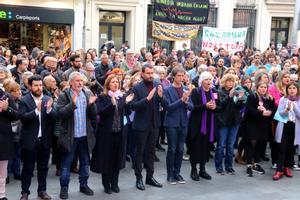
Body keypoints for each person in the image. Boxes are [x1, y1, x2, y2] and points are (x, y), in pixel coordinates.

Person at [56, 72, 97, 199]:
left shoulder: (87, 94)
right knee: (66, 164)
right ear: (71, 82)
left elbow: (94, 115)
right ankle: (64, 188)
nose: (80, 83)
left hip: (84, 135)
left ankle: (83, 185)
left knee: (85, 162)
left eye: (81, 80)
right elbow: (60, 113)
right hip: (70, 136)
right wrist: (72, 105)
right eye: (77, 80)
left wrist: (91, 105)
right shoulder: (64, 95)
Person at [91, 75, 134, 194]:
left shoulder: (122, 96)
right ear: (108, 84)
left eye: (117, 82)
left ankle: (115, 183)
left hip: (120, 131)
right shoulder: (103, 97)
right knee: (107, 159)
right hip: (106, 133)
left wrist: (127, 103)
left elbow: (127, 113)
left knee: (117, 158)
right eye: (113, 82)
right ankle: (106, 184)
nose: (116, 84)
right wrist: (112, 105)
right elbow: (100, 113)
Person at [18, 75, 56, 200]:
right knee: (28, 168)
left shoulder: (47, 98)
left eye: (40, 85)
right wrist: (36, 111)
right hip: (30, 141)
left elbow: (55, 118)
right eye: (36, 85)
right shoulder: (24, 100)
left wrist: (50, 109)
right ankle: (25, 192)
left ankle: (42, 191)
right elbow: (22, 117)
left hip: (44, 140)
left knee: (43, 168)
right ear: (29, 86)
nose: (39, 88)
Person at [131, 64, 167, 190]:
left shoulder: (158, 85)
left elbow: (166, 105)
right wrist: (147, 99)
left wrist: (161, 97)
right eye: (148, 73)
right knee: (139, 152)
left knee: (151, 152)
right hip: (141, 125)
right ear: (142, 74)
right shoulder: (136, 87)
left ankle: (150, 177)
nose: (151, 75)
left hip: (154, 124)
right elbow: (133, 106)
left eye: (152, 73)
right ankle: (139, 178)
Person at [164, 67, 193, 185]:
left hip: (183, 122)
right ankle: (170, 174)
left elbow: (192, 107)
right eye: (179, 76)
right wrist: (182, 100)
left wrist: (186, 102)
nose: (181, 78)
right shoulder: (167, 90)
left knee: (180, 149)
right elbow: (168, 108)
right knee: (172, 149)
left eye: (183, 76)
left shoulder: (186, 89)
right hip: (171, 123)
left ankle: (177, 172)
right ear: (173, 76)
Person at [188, 71, 217, 181]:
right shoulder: (196, 91)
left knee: (206, 147)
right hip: (197, 124)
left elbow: (218, 107)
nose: (209, 81)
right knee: (196, 147)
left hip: (210, 124)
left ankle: (202, 169)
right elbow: (194, 107)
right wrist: (205, 106)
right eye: (206, 79)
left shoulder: (214, 91)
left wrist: (214, 107)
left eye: (210, 79)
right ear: (201, 81)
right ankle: (194, 169)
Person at [244, 81, 275, 177]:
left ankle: (256, 163)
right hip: (252, 123)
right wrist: (261, 113)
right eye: (261, 87)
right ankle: (249, 164)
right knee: (252, 142)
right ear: (257, 88)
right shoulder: (252, 97)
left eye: (265, 87)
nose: (263, 89)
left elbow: (273, 109)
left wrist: (269, 112)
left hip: (263, 124)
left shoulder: (269, 98)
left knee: (260, 143)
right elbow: (249, 109)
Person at [215, 74, 244, 175]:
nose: (231, 83)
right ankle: (219, 167)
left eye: (232, 81)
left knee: (230, 146)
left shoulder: (235, 92)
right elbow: (220, 105)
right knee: (221, 145)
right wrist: (230, 96)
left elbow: (239, 108)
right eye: (229, 81)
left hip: (234, 121)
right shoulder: (218, 91)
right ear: (224, 81)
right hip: (223, 121)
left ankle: (229, 166)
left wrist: (240, 100)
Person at [273, 83, 300, 180]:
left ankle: (287, 167)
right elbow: (280, 113)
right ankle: (279, 170)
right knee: (282, 147)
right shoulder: (283, 99)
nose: (292, 90)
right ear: (287, 89)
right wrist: (287, 109)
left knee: (291, 147)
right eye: (290, 88)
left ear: (297, 90)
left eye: (294, 88)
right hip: (284, 124)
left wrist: (295, 108)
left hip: (295, 126)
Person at [0, 88, 18, 200]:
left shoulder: (6, 96)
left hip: (3, 139)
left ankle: (1, 194)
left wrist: (7, 109)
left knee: (2, 170)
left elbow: (16, 115)